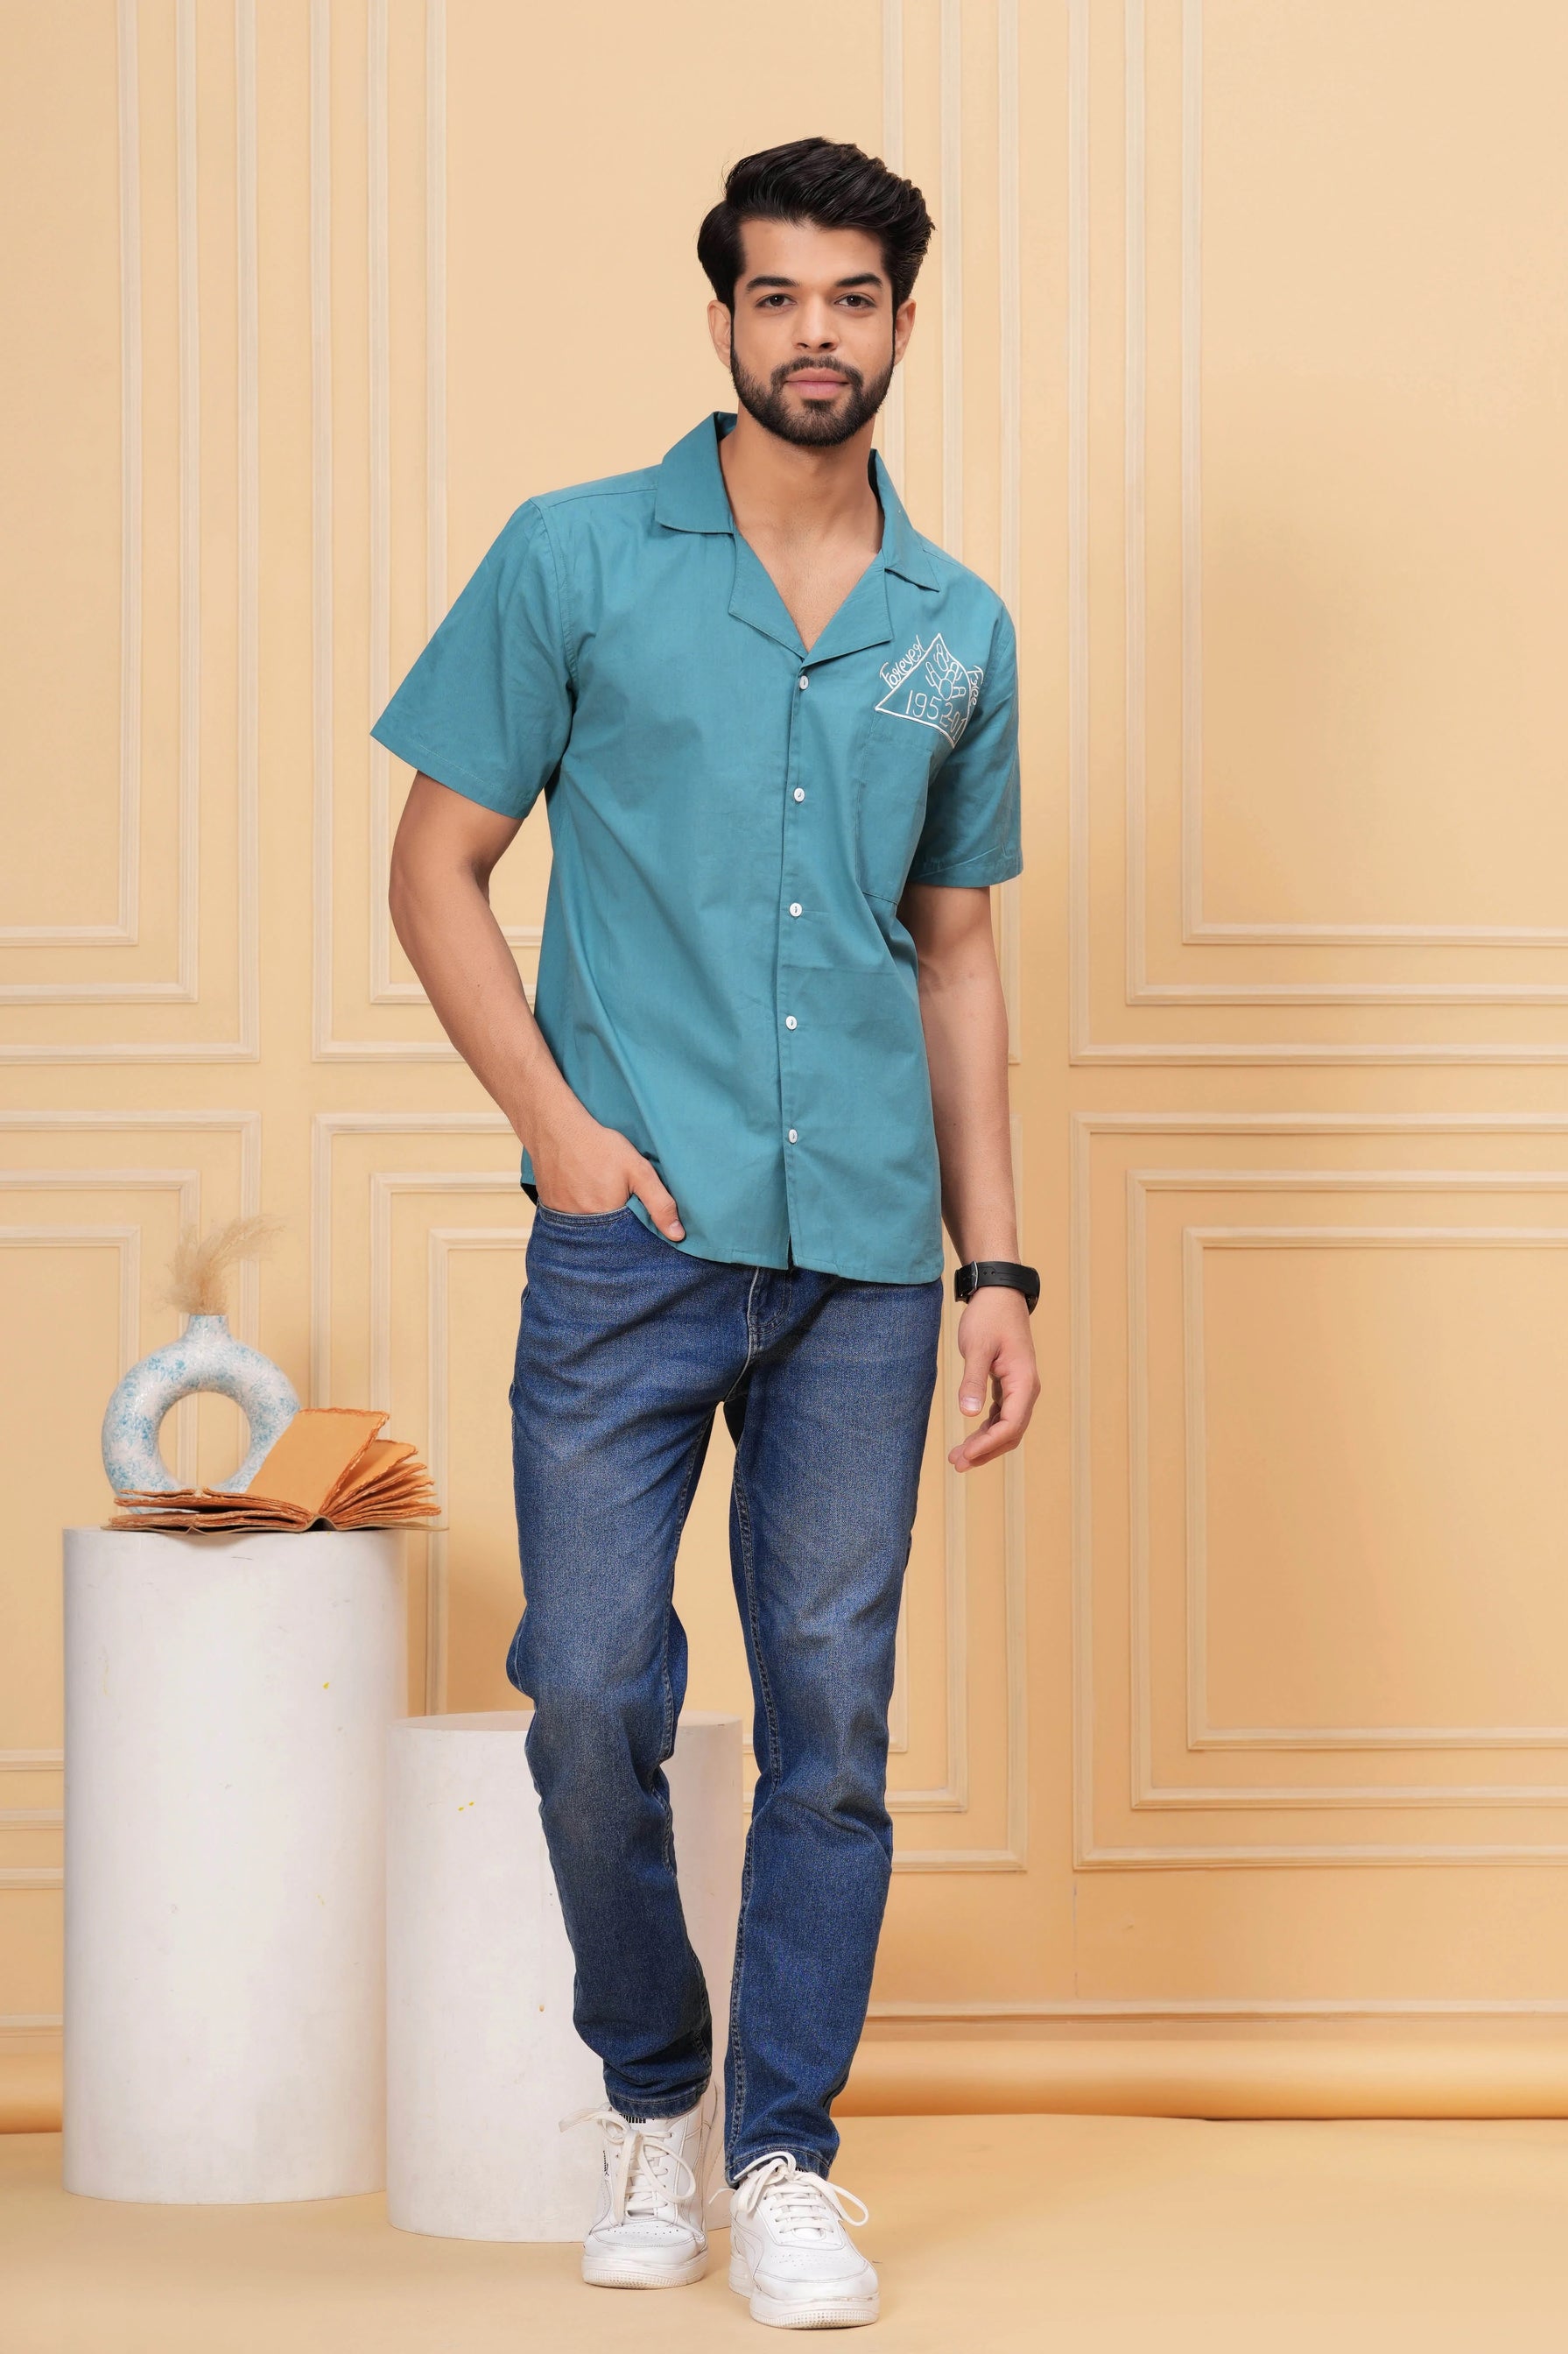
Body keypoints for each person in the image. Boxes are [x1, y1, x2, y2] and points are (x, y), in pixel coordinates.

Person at [373, 133, 1040, 2332]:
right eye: (776, 296)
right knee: (587, 1692)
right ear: (727, 317)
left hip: (866, 1258)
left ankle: (783, 2161)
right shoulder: (573, 556)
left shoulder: (958, 627)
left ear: (904, 322)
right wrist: (558, 1133)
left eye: (852, 298)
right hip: (631, 1236)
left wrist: (998, 1266)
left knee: (831, 1721)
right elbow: (434, 867)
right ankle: (653, 2097)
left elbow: (956, 955)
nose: (813, 335)